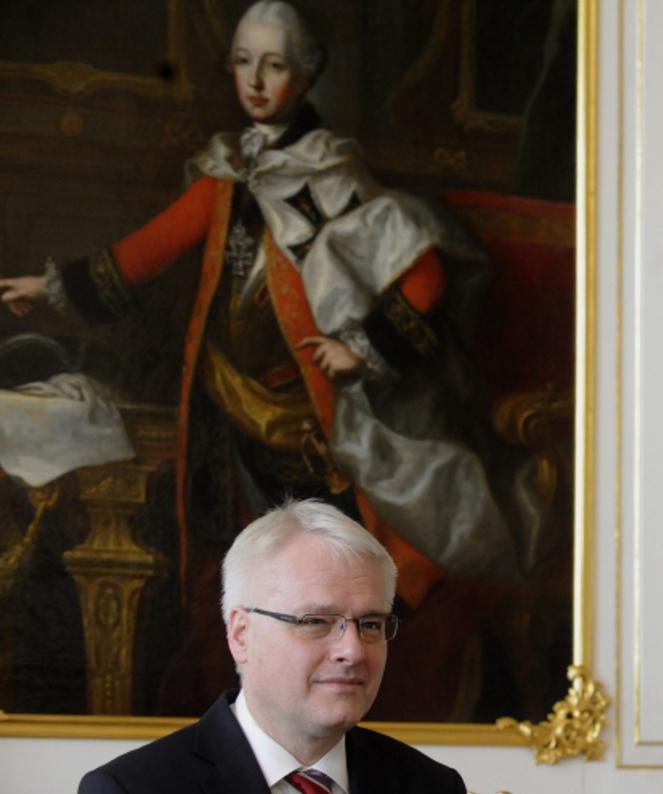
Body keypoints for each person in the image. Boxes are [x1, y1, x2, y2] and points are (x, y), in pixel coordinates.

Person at [0, 1, 548, 716]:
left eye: (275, 64)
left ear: (307, 73)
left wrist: (358, 349)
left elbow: (424, 276)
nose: (255, 81)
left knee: (325, 572)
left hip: (313, 419)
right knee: (237, 574)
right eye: (242, 62)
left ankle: (329, 704)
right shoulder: (229, 171)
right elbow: (146, 251)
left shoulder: (333, 174)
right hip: (227, 410)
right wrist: (51, 287)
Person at [68, 498, 481, 794]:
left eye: (370, 624)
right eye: (316, 621)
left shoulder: (431, 793)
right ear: (241, 635)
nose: (353, 650)